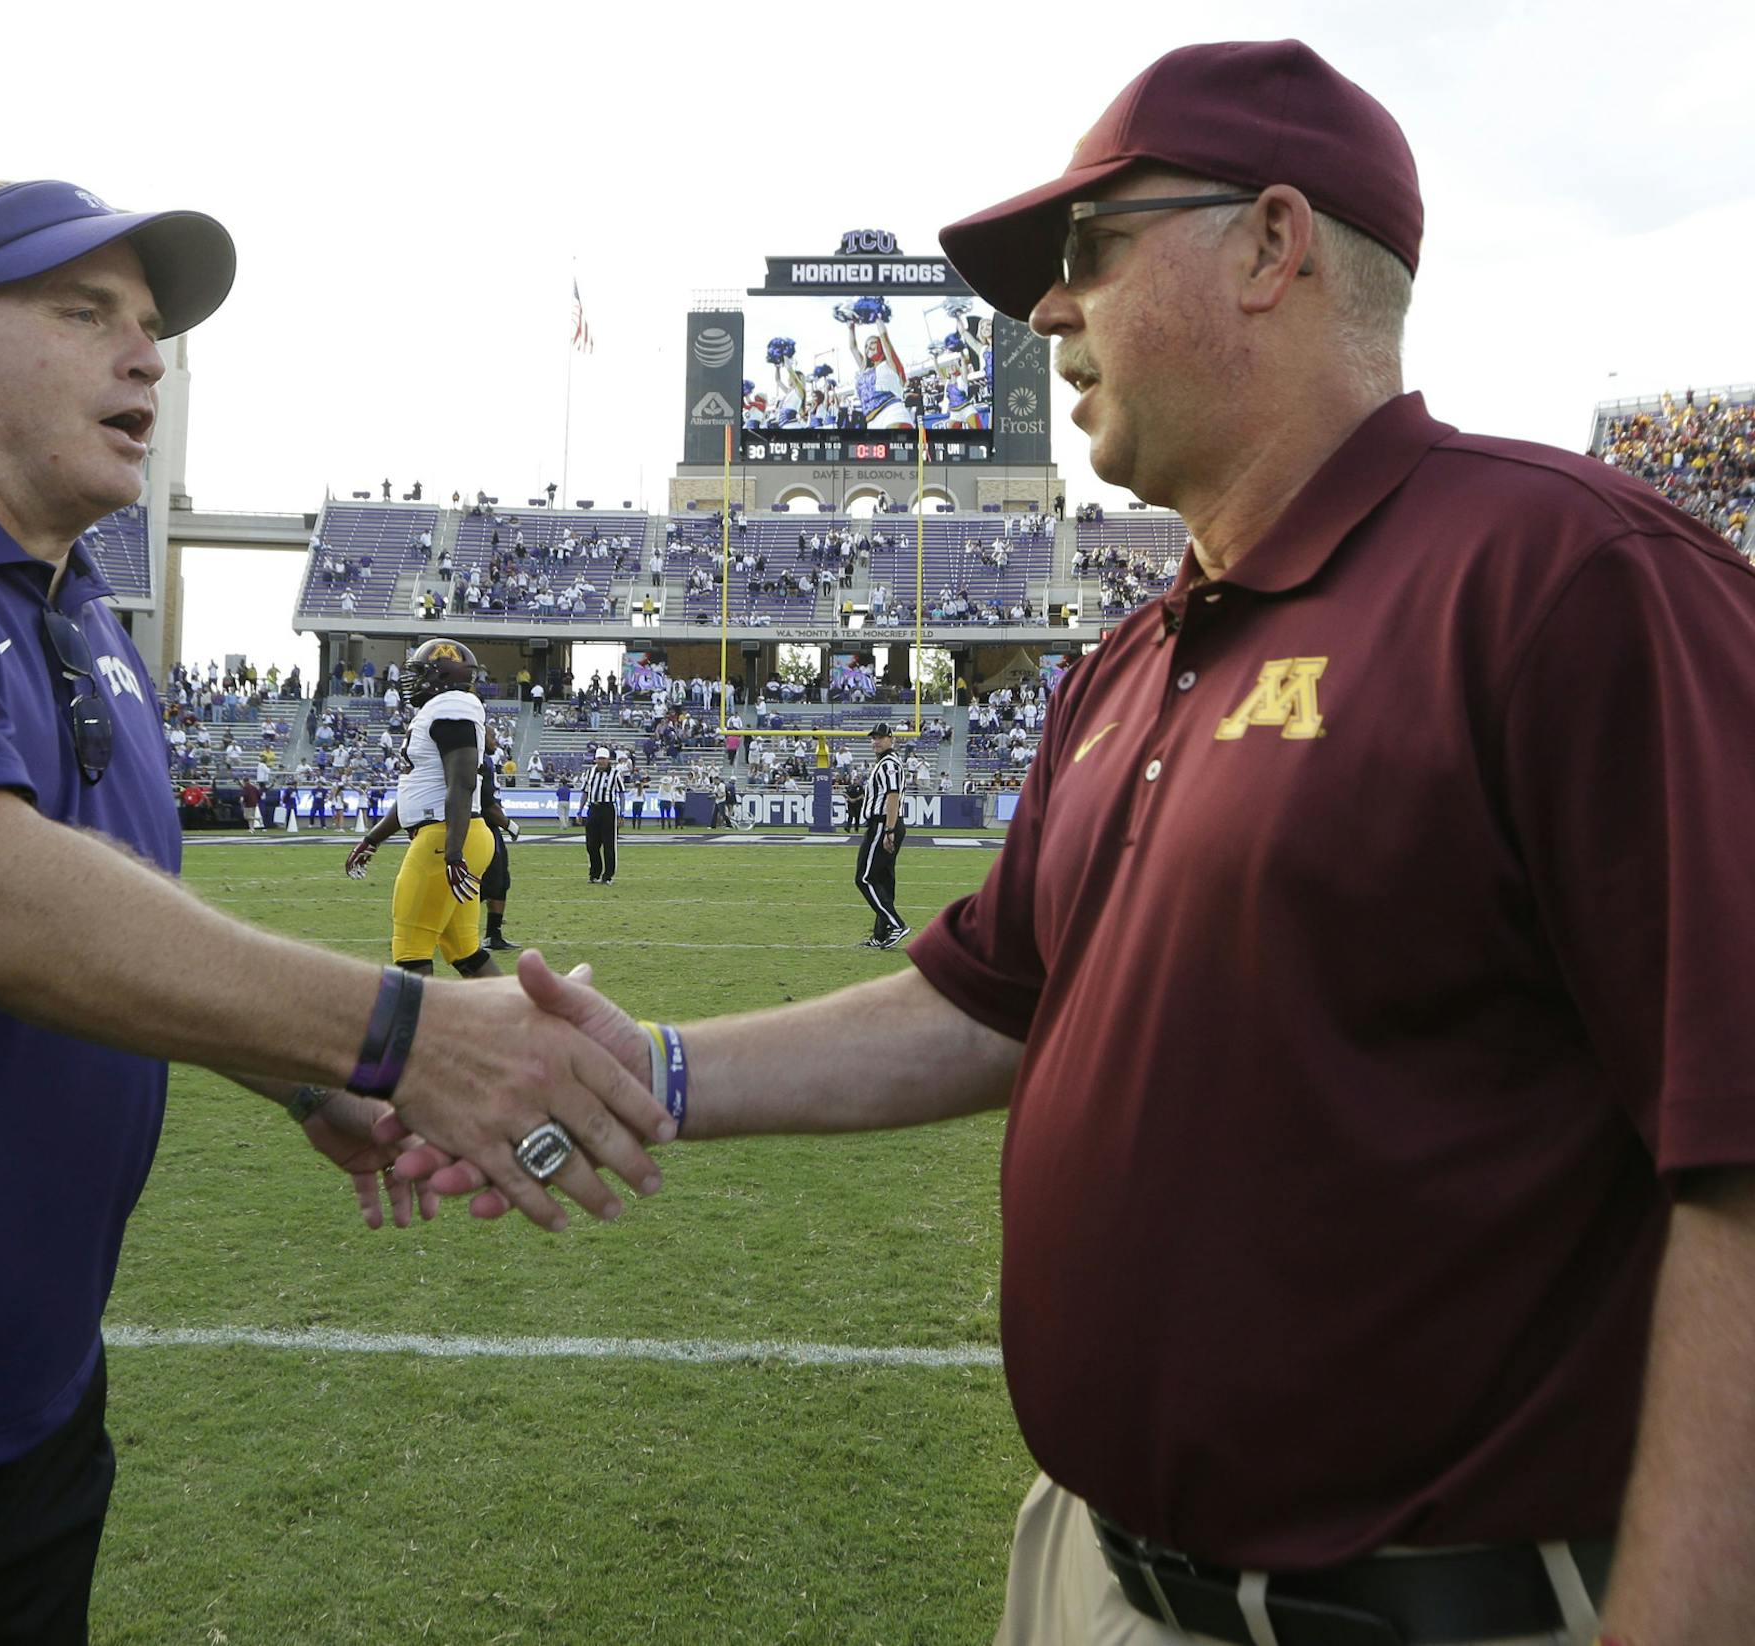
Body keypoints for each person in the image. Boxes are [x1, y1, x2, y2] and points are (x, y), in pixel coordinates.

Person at [395, 38, 1755, 1646]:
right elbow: (991, 996)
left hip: (1432, 1606)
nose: (1046, 308)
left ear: (1270, 244)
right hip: (1096, 1576)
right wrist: (658, 1069)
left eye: (1090, 250)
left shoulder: (1568, 580)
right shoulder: (1134, 655)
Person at [0, 179, 670, 1643]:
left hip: (21, 1424)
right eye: (83, 312)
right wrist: (405, 1034)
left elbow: (106, 918)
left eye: (152, 326)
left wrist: (300, 1078)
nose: (147, 355)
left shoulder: (85, 619)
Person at [341, 638, 501, 981]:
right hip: (452, 833)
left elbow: (462, 784)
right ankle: (520, 1023)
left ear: (442, 673)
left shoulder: (452, 707)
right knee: (464, 950)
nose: (411, 678)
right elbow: (419, 793)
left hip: (445, 836)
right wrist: (372, 839)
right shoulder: (441, 710)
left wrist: (453, 853)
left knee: (410, 949)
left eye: (420, 671)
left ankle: (418, 1033)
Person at [854, 724, 908, 947]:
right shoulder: (886, 763)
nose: (875, 742)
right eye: (873, 738)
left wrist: (889, 830)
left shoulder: (889, 764)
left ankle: (896, 925)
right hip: (885, 824)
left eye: (880, 737)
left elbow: (892, 797)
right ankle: (881, 934)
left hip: (882, 824)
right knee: (883, 880)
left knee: (864, 877)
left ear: (891, 739)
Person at [476, 721, 524, 952]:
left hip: (489, 828)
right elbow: (486, 804)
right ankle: (448, 928)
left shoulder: (487, 761)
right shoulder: (477, 762)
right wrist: (509, 825)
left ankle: (493, 935)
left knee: (500, 882)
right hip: (478, 827)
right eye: (492, 737)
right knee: (485, 884)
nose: (496, 741)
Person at [580, 746, 622, 884]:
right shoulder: (589, 773)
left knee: (609, 845)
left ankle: (608, 875)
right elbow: (585, 792)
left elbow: (621, 793)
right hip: (593, 808)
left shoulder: (615, 774)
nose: (601, 761)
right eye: (599, 759)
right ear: (595, 759)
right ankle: (594, 873)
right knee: (591, 844)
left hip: (608, 809)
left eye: (603, 759)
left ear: (608, 760)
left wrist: (622, 812)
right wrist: (580, 811)